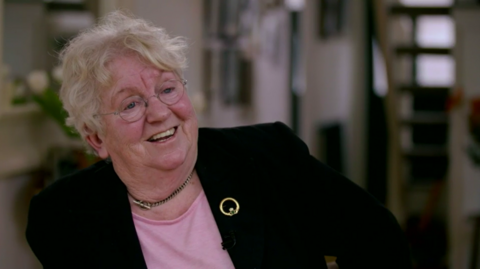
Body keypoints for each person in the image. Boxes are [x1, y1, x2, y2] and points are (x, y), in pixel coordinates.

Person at [26, 11, 412, 269]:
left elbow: (379, 239)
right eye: (130, 104)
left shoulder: (268, 157)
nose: (160, 112)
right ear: (96, 138)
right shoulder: (63, 217)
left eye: (168, 88)